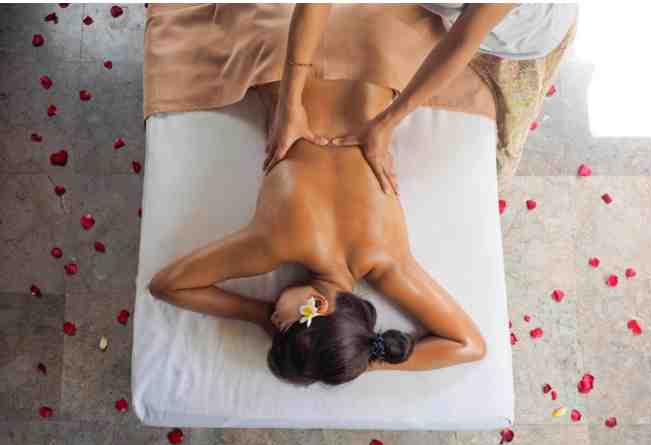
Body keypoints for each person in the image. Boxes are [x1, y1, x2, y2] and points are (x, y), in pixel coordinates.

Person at [147, 6, 488, 386]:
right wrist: (257, 314)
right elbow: (167, 285)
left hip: (375, 39)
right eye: (281, 328)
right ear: (316, 306)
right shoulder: (275, 243)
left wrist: (363, 357)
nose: (273, 323)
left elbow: (468, 345)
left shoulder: (389, 262)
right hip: (281, 42)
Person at [264, 3, 578, 189]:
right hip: (462, 18)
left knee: (505, 115)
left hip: (527, 32)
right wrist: (290, 104)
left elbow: (461, 44)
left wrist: (385, 124)